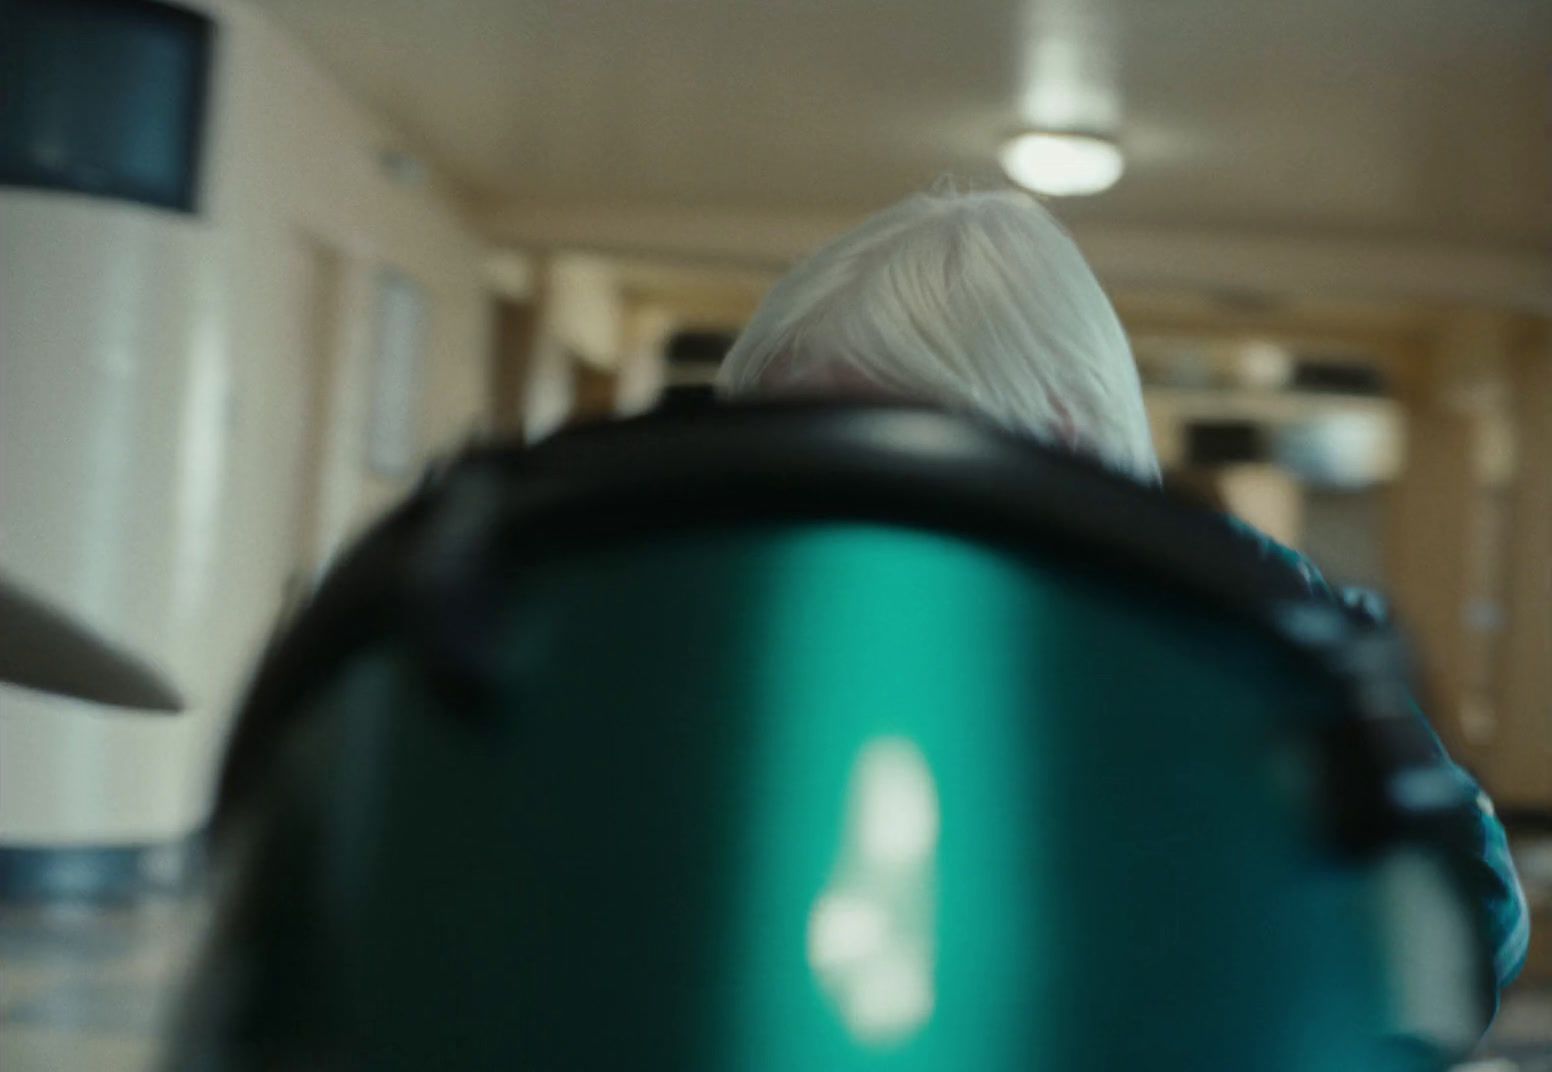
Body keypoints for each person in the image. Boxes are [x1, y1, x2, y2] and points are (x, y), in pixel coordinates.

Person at [715, 187, 1529, 998]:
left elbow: (1473, 924)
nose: (830, 523)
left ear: (1059, 441)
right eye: (790, 468)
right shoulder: (793, 643)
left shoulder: (1249, 627)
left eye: (881, 463)